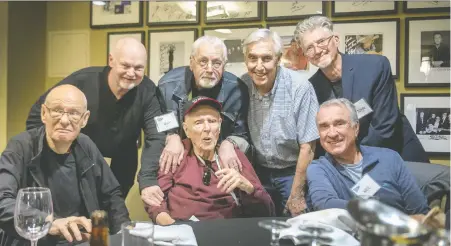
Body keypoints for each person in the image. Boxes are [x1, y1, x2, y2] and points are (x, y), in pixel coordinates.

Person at [26, 38, 167, 201]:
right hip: (78, 154)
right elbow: (37, 115)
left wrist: (148, 180)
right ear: (111, 60)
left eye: (138, 68)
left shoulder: (149, 91)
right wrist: (53, 157)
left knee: (113, 212)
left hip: (123, 160)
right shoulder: (82, 81)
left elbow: (157, 134)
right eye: (125, 65)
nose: (131, 73)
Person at [0, 85, 130, 246]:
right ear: (43, 113)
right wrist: (48, 223)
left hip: (81, 242)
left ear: (85, 119)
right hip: (34, 241)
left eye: (74, 113)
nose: (64, 120)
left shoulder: (86, 145)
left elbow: (111, 195)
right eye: (57, 110)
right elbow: (2, 201)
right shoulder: (21, 147)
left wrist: (123, 235)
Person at [294, 15, 429, 163]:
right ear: (306, 55)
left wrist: (354, 160)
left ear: (336, 40)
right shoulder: (310, 88)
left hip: (398, 155)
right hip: (348, 165)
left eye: (321, 42)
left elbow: (385, 127)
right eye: (309, 48)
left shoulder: (375, 67)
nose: (317, 50)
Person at [146, 97, 274, 225]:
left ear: (219, 126)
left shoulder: (232, 156)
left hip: (226, 231)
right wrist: (170, 225)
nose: (207, 128)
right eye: (198, 122)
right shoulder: (177, 155)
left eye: (212, 121)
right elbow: (156, 202)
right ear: (186, 130)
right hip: (182, 229)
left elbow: (267, 211)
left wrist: (248, 188)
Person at [241, 29, 319, 216]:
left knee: (294, 224)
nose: (259, 66)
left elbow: (308, 147)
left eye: (266, 59)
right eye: (253, 58)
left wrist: (297, 193)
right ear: (246, 60)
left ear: (278, 58)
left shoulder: (300, 87)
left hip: (292, 172)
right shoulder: (242, 85)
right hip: (257, 172)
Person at [306, 98, 430, 216]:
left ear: (356, 128)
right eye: (324, 126)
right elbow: (325, 205)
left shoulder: (389, 158)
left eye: (339, 124)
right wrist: (385, 216)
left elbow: (419, 209)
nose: (332, 133)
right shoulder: (318, 169)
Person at [156, 36, 250, 185]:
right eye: (203, 61)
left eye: (217, 63)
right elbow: (156, 125)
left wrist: (229, 143)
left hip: (219, 165)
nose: (209, 69)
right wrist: (171, 136)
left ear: (224, 65)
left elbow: (243, 135)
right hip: (179, 163)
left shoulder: (237, 89)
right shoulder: (167, 85)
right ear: (192, 62)